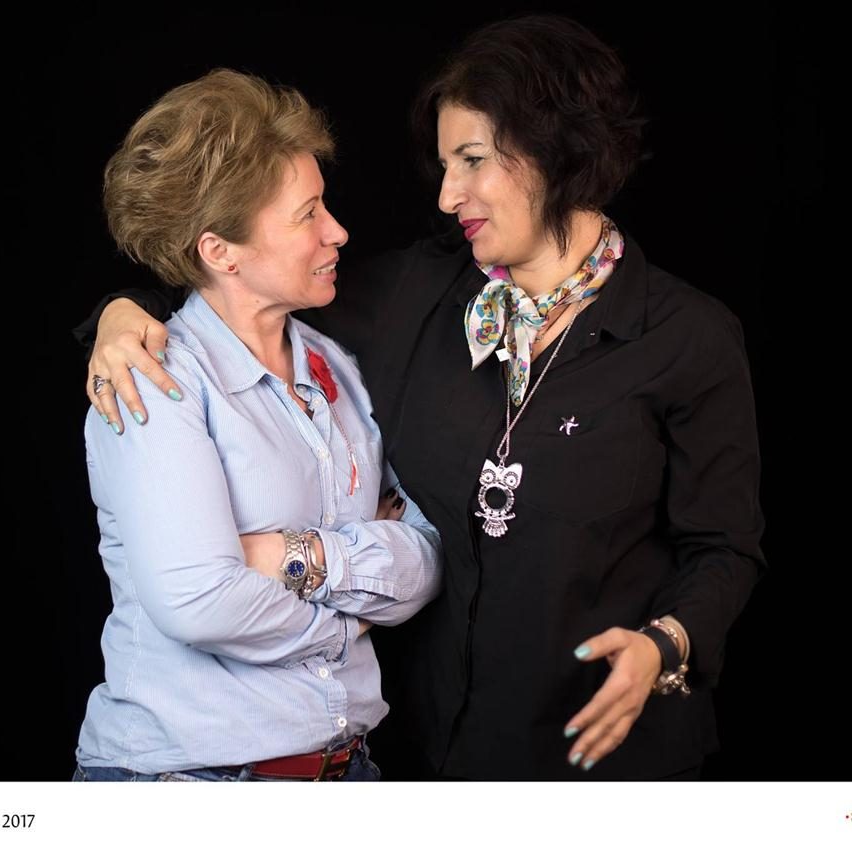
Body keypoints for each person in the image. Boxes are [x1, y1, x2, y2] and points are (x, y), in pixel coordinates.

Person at [79, 15, 765, 780]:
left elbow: (724, 546)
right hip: (436, 758)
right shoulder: (416, 295)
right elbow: (241, 289)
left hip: (603, 760)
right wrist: (123, 312)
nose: (446, 196)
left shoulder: (686, 337)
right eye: (444, 165)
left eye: (471, 160)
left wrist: (666, 642)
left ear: (555, 150)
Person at [72, 68, 442, 782]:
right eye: (307, 214)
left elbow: (425, 553)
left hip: (346, 770)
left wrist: (289, 555)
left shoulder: (339, 367)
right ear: (220, 252)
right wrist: (354, 613)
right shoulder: (155, 381)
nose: (338, 230)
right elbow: (200, 602)